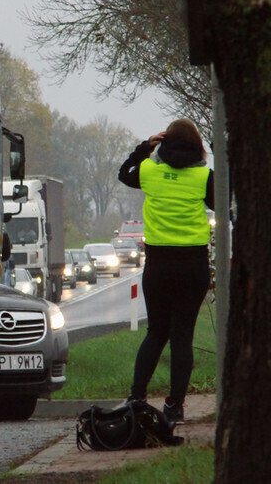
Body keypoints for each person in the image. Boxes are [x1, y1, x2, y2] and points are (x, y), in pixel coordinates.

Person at [118, 117, 214, 423]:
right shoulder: (204, 177)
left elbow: (124, 174)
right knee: (182, 337)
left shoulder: (149, 171)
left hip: (159, 264)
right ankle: (175, 405)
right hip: (193, 264)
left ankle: (136, 397)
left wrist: (145, 147)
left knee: (156, 332)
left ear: (164, 142)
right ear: (198, 147)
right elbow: (222, 203)